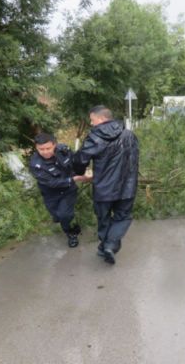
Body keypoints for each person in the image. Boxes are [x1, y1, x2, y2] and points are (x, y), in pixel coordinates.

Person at [73, 106, 139, 265]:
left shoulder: (94, 137)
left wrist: (79, 172)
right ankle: (108, 246)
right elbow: (134, 159)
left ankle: (107, 245)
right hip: (127, 186)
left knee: (103, 218)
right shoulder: (129, 134)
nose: (91, 123)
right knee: (123, 216)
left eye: (92, 119)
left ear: (101, 119)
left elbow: (81, 159)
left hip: (104, 188)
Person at [29, 133, 90, 248]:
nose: (45, 152)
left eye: (48, 148)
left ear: (55, 145)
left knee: (64, 215)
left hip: (68, 190)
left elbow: (75, 163)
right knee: (57, 216)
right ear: (36, 148)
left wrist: (84, 172)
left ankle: (71, 233)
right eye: (41, 149)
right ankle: (63, 219)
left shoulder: (64, 150)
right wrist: (75, 179)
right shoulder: (35, 164)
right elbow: (51, 183)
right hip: (51, 194)